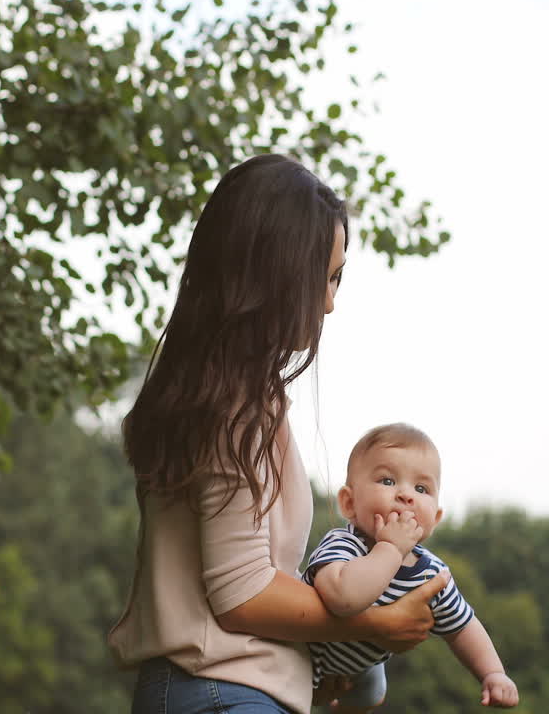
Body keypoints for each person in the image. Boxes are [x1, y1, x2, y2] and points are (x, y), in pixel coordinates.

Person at [108, 154, 452, 714]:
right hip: (219, 691)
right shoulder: (237, 405)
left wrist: (304, 672)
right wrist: (375, 623)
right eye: (325, 277)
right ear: (277, 274)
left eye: (338, 279)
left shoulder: (211, 389)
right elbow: (241, 595)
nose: (330, 304)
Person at [304, 423, 519, 712]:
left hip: (361, 668)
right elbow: (342, 599)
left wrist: (492, 673)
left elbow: (463, 627)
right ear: (349, 503)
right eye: (388, 481)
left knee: (371, 694)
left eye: (421, 488)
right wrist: (390, 549)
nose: (406, 495)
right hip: (305, 656)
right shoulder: (344, 545)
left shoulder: (431, 572)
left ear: (435, 517)